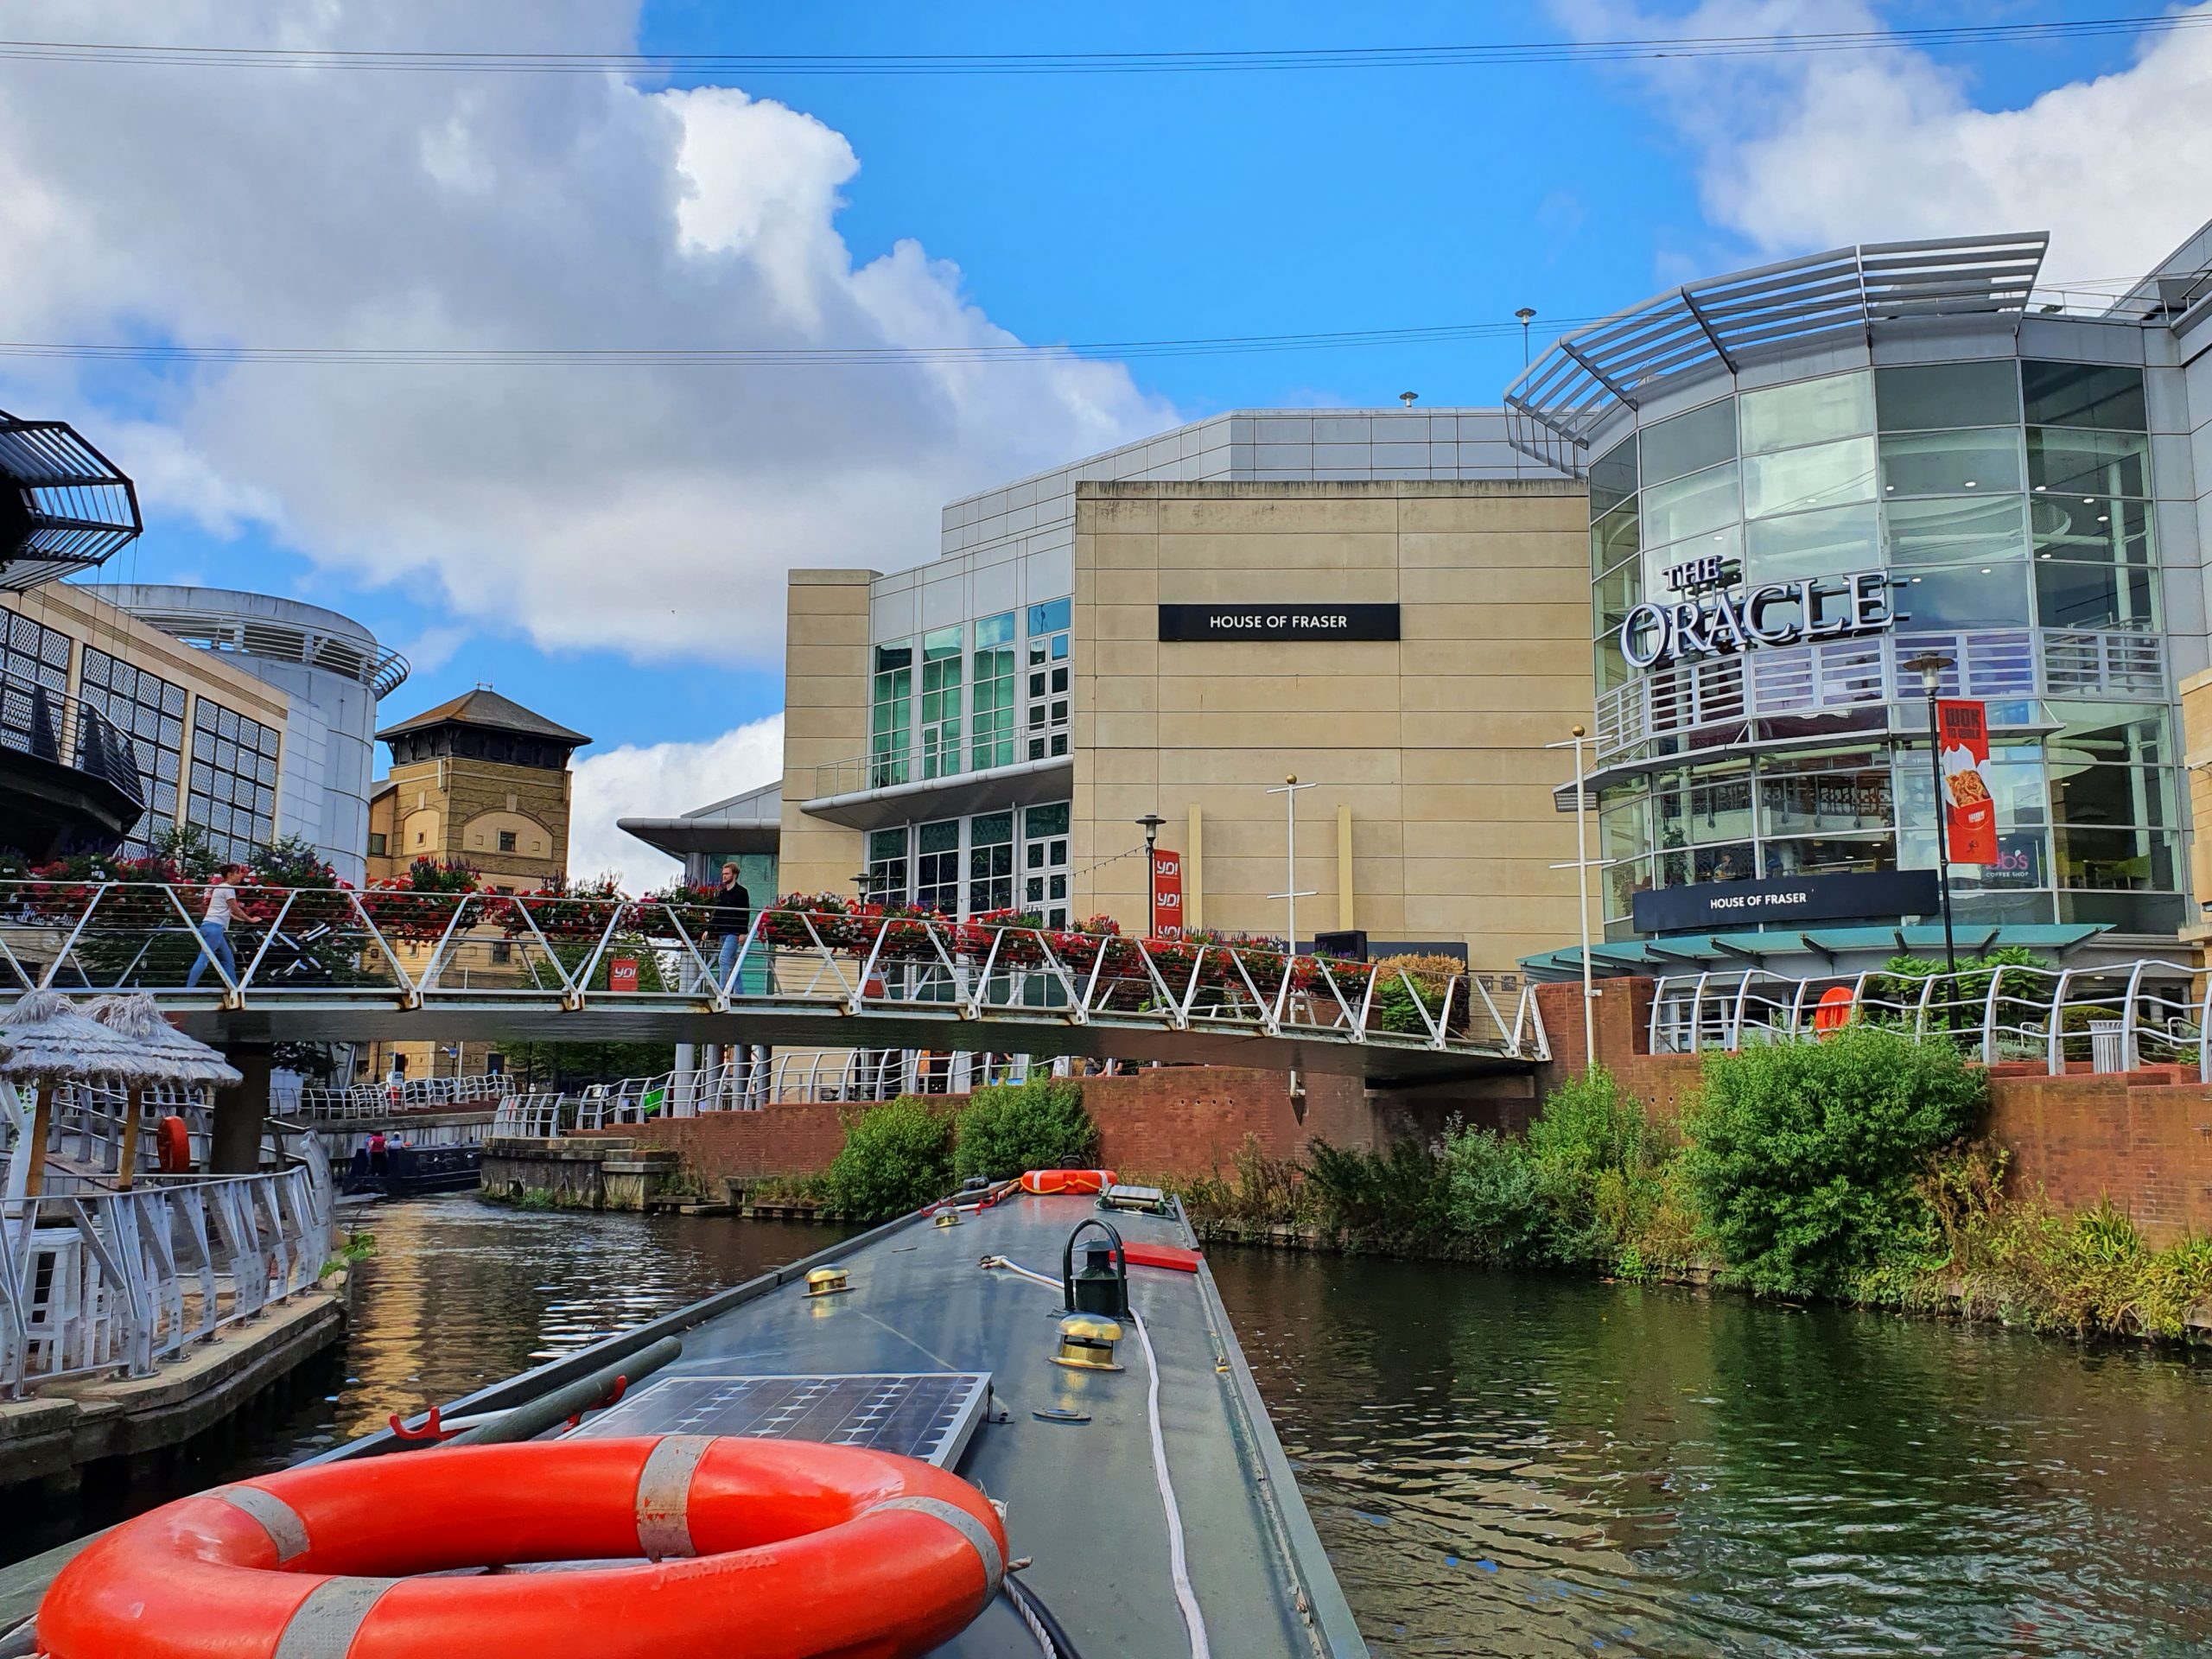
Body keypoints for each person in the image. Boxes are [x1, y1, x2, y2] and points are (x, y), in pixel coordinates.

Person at [182, 863, 246, 989]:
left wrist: (244, 920)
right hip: (215, 928)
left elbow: (228, 912)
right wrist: (250, 919)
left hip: (213, 927)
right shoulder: (228, 888)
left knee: (228, 959)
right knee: (204, 958)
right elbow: (235, 908)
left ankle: (235, 988)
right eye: (238, 873)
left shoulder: (220, 888)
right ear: (230, 874)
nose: (241, 876)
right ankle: (189, 988)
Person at [711, 861, 752, 990]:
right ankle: (739, 993)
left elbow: (745, 912)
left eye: (727, 874)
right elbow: (718, 912)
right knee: (733, 963)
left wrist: (743, 932)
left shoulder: (741, 892)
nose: (724, 876)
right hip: (723, 932)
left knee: (723, 959)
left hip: (734, 932)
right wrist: (709, 929)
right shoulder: (722, 893)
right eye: (723, 874)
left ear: (734, 875)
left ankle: (722, 989)